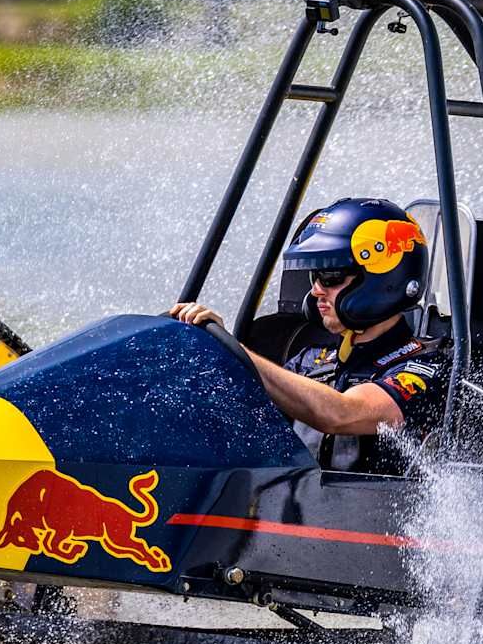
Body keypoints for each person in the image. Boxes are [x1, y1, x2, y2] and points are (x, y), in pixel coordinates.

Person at [169, 197, 449, 475]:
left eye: (331, 277)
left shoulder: (422, 369)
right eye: (315, 276)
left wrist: (238, 353)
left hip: (369, 515)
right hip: (291, 509)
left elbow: (341, 414)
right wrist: (208, 356)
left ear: (383, 280)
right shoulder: (312, 362)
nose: (316, 290)